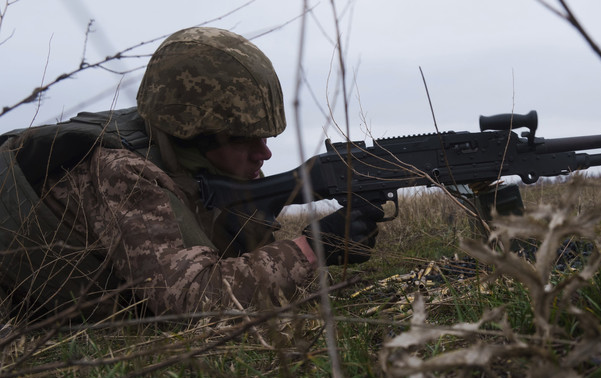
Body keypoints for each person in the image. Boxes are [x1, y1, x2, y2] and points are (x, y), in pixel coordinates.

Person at [0, 27, 381, 319]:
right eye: (244, 140)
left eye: (264, 137)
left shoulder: (191, 164)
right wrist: (313, 248)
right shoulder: (126, 173)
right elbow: (193, 301)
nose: (263, 152)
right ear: (194, 135)